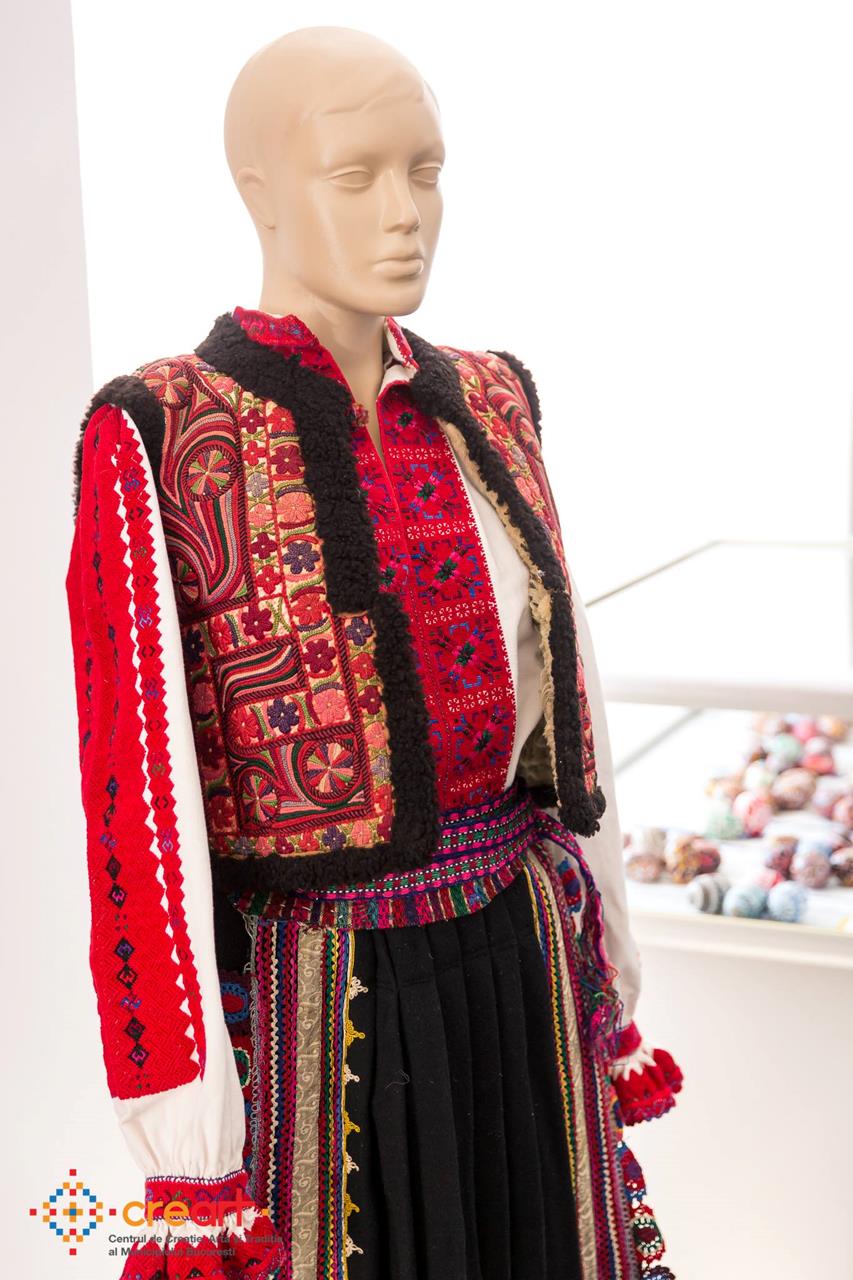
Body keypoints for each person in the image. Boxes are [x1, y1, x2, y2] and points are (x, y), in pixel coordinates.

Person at [65, 25, 682, 1280]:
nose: (405, 212)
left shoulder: (492, 398)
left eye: (425, 170)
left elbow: (572, 710)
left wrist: (610, 964)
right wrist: (186, 1125)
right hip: (325, 993)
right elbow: (139, 802)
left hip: (523, 959)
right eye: (355, 175)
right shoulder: (163, 431)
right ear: (258, 192)